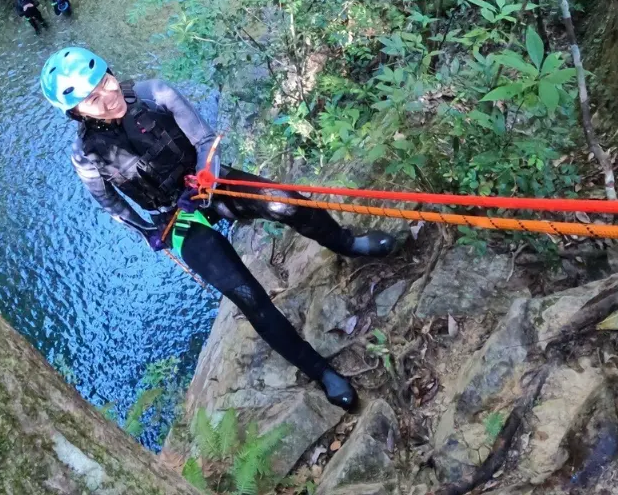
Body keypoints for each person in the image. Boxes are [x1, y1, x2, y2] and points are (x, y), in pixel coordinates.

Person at [40, 47, 397, 411]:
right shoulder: (86, 156)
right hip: (175, 218)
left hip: (208, 180)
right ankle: (319, 371)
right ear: (77, 113)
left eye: (106, 82)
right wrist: (146, 230)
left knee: (289, 202)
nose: (109, 96)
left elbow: (204, 141)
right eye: (93, 99)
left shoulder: (154, 94)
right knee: (245, 293)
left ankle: (347, 243)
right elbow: (111, 204)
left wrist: (205, 180)